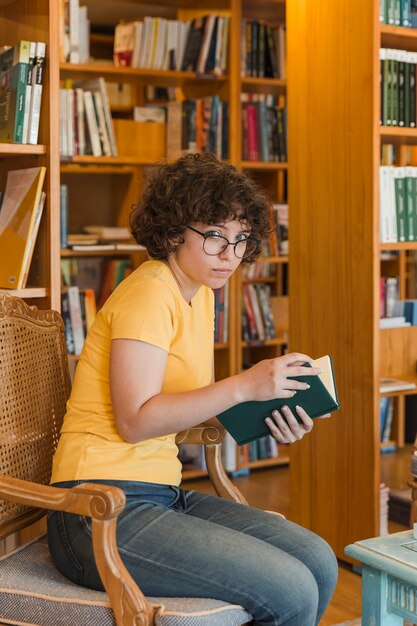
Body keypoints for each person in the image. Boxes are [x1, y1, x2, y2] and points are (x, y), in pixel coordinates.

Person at [47, 152, 338, 626]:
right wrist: (243, 385)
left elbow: (185, 408)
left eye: (241, 239)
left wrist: (270, 410)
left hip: (158, 493)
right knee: (290, 589)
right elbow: (136, 419)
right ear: (173, 230)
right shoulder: (149, 292)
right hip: (95, 509)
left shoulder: (199, 294)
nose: (231, 255)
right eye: (215, 237)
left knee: (319, 562)